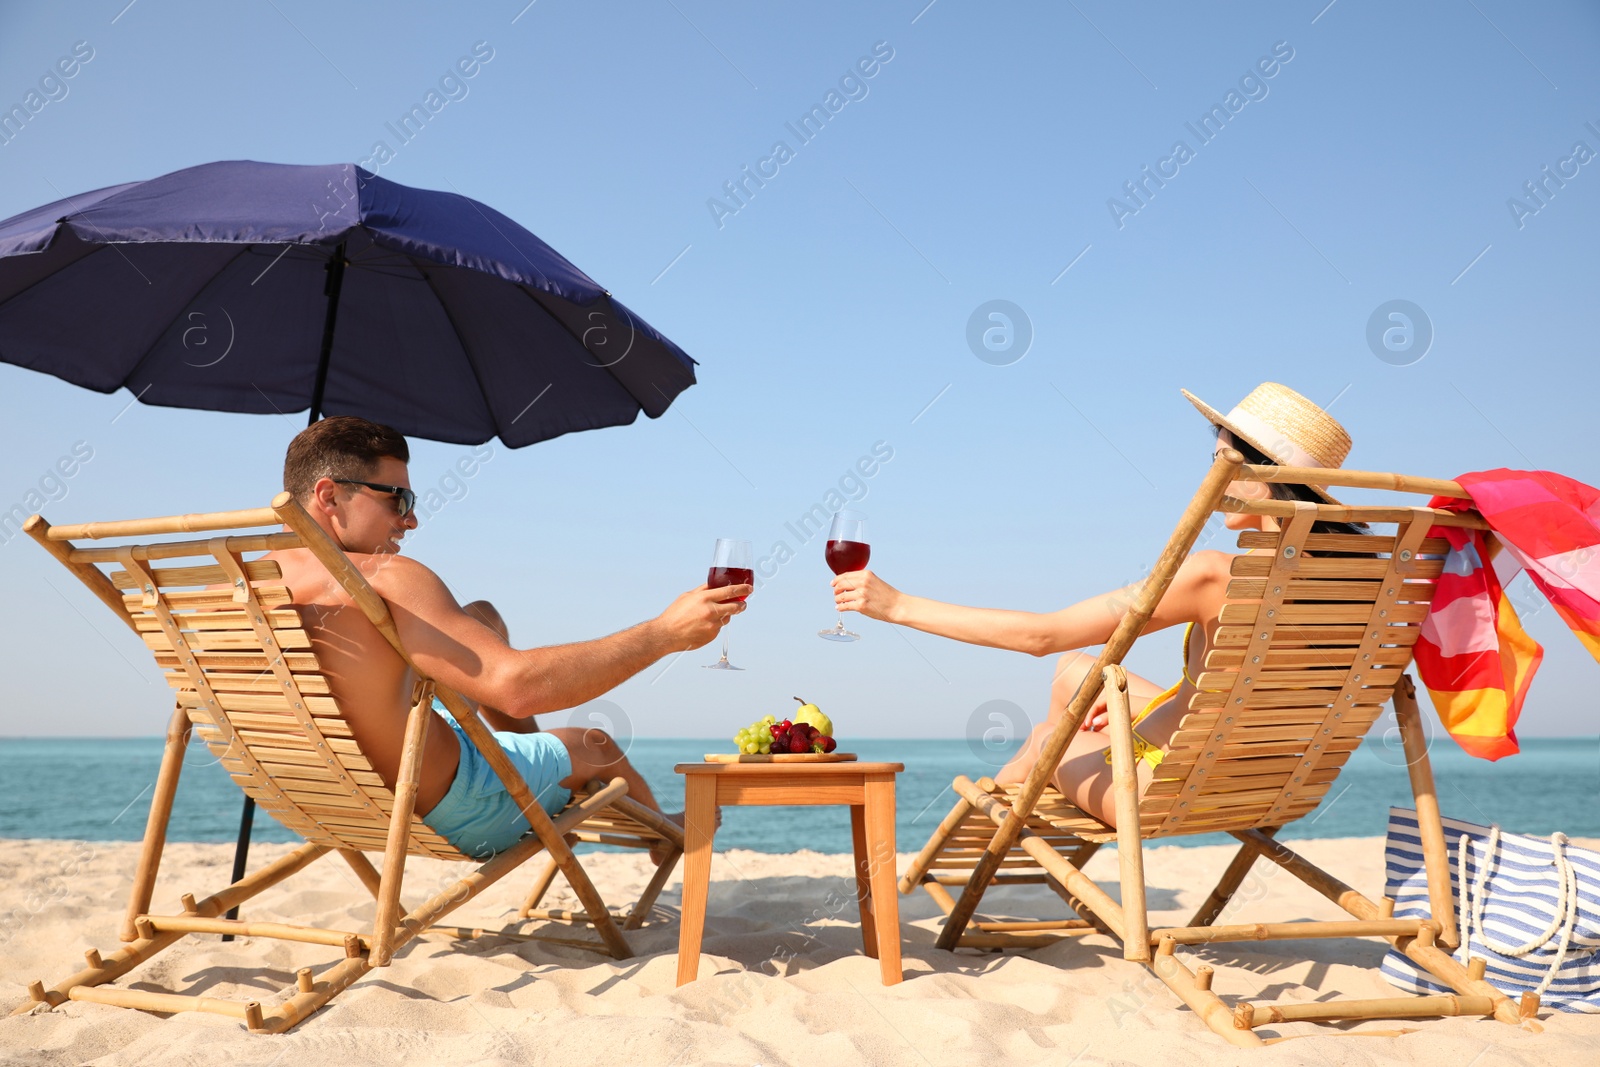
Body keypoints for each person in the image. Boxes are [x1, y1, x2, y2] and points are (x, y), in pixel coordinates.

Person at [831, 383, 1360, 827]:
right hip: (1270, 787)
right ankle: (1016, 833)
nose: (1209, 478)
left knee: (1045, 738)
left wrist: (896, 605)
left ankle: (990, 848)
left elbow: (1042, 635)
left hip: (1170, 790)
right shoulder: (1359, 586)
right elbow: (1243, 687)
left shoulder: (1215, 575)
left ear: (1263, 479)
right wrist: (1130, 708)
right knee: (1076, 673)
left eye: (1221, 462)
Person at [266, 417, 747, 860]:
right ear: (328, 496)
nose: (409, 520)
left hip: (314, 794)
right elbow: (517, 688)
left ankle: (531, 759)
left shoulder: (227, 587)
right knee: (595, 743)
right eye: (398, 499)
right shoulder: (386, 578)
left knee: (483, 618)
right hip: (452, 807)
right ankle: (663, 834)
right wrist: (664, 633)